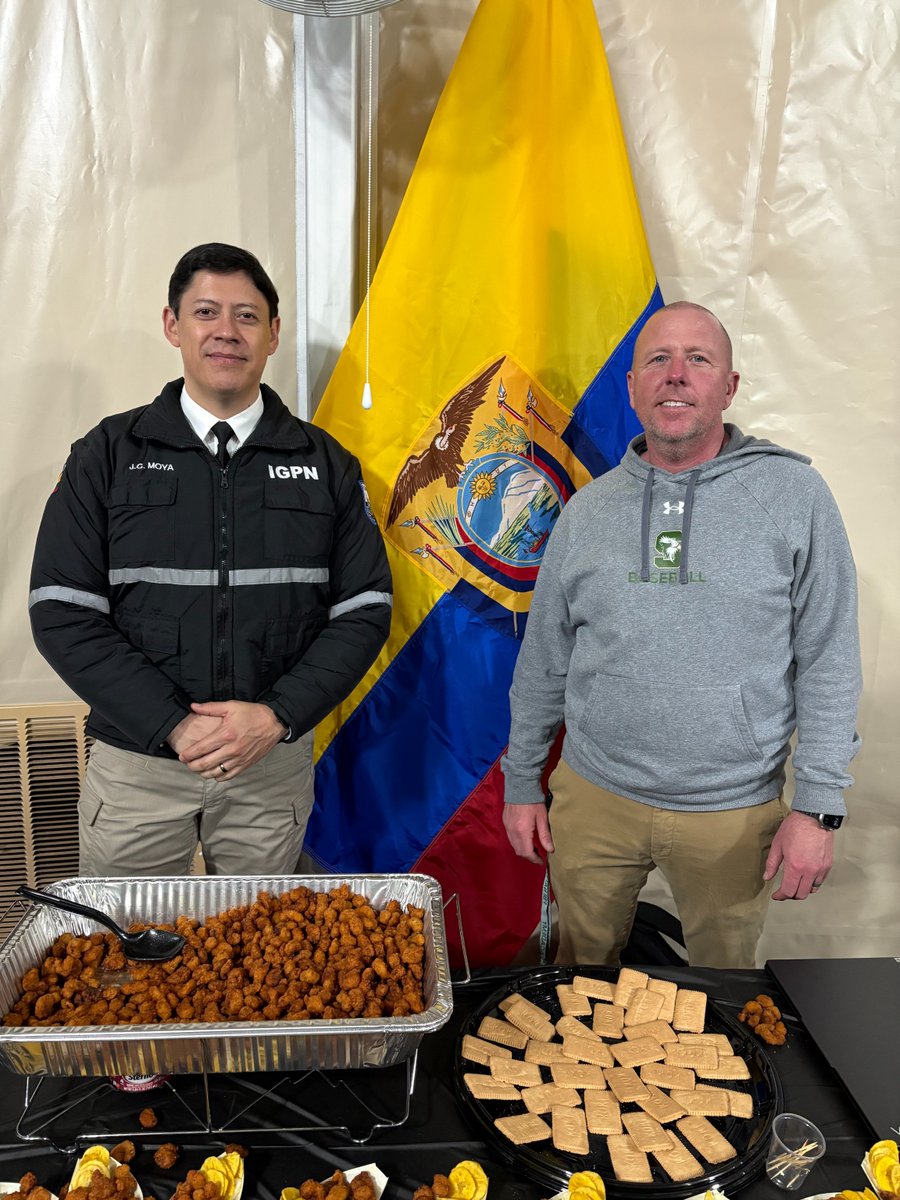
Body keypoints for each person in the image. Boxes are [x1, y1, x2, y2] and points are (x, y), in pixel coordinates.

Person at [501, 301, 861, 968]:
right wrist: (523, 782)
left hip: (734, 810)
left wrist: (818, 806)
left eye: (698, 360)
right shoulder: (587, 511)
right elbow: (544, 660)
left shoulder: (795, 496)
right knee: (578, 984)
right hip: (595, 799)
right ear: (633, 387)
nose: (676, 375)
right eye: (657, 360)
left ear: (728, 387)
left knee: (721, 999)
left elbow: (829, 660)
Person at [29, 243, 392, 876]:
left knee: (255, 958)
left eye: (247, 316)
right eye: (206, 312)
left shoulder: (327, 465)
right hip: (137, 764)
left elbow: (365, 611)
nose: (227, 331)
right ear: (173, 325)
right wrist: (170, 724)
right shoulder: (107, 454)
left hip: (268, 764)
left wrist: (277, 716)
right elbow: (61, 610)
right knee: (125, 961)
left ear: (273, 335)